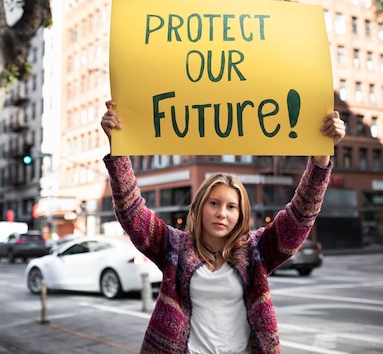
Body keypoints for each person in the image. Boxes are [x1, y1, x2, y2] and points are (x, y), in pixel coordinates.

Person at [100, 100, 345, 354]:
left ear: (240, 215)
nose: (222, 213)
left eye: (231, 207)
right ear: (198, 208)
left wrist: (321, 157)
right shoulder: (173, 247)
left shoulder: (256, 251)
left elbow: (300, 216)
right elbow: (131, 212)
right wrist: (117, 148)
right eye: (214, 203)